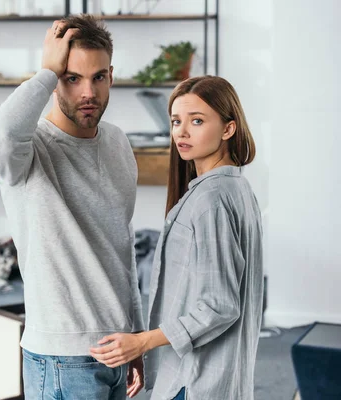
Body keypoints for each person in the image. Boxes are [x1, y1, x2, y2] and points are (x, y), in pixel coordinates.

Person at [0, 14, 145, 400]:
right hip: (61, 358)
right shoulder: (28, 150)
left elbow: (123, 249)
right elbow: (0, 137)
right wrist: (45, 71)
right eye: (72, 78)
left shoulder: (118, 143)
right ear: (55, 80)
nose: (88, 91)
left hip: (115, 348)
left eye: (98, 77)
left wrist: (136, 335)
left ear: (111, 75)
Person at [90, 76, 263, 400]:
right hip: (214, 377)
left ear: (228, 129)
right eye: (176, 121)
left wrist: (142, 342)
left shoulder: (210, 200)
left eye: (197, 121)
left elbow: (220, 305)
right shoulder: (236, 189)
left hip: (195, 381)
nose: (181, 132)